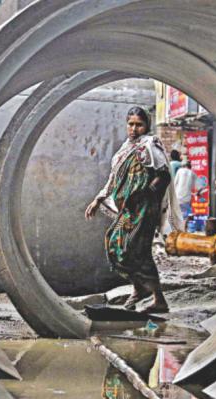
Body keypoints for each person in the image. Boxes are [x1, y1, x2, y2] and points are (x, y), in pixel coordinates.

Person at [85, 106, 171, 313]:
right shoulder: (124, 150)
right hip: (129, 208)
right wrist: (98, 199)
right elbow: (114, 179)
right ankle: (139, 287)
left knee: (137, 249)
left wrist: (146, 192)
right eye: (131, 124)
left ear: (146, 126)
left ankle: (158, 299)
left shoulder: (150, 146)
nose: (134, 129)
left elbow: (164, 175)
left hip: (145, 208)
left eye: (139, 125)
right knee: (115, 243)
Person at [173, 159, 198, 229]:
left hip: (178, 197)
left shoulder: (179, 171)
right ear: (190, 166)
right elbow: (195, 186)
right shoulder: (192, 173)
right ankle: (184, 230)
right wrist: (195, 193)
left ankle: (178, 230)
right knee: (186, 216)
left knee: (178, 215)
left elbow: (175, 184)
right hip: (186, 199)